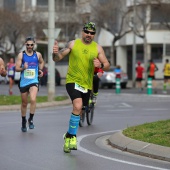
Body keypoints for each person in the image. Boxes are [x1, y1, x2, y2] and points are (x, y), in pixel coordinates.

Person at [52, 22, 110, 153]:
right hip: (72, 80)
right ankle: (72, 137)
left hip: (86, 84)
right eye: (87, 32)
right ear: (82, 32)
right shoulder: (73, 44)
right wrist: (55, 53)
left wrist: (100, 65)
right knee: (77, 106)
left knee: (81, 110)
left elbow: (107, 64)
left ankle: (68, 135)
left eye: (92, 33)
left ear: (94, 35)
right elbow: (58, 57)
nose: (89, 34)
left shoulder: (98, 48)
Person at [15, 36, 44, 132]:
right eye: (28, 45)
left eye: (31, 45)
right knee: (24, 103)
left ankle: (30, 119)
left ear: (34, 45)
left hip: (34, 81)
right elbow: (16, 68)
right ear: (25, 45)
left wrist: (40, 70)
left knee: (33, 99)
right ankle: (23, 121)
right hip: (24, 82)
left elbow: (42, 62)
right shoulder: (21, 55)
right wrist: (23, 67)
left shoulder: (38, 54)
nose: (30, 46)